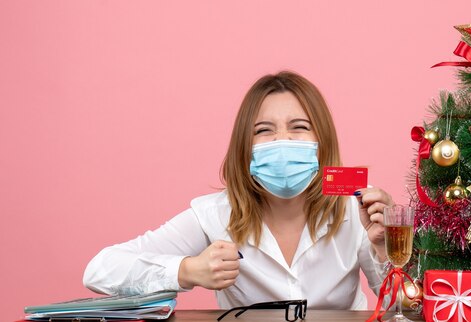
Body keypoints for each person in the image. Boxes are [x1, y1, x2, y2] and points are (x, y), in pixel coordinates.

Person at [83, 71, 395, 310]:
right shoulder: (214, 215)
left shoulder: (355, 213)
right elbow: (100, 270)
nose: (281, 141)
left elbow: (406, 309)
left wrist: (387, 247)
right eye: (263, 130)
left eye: (299, 127)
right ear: (245, 149)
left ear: (322, 142)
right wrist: (188, 270)